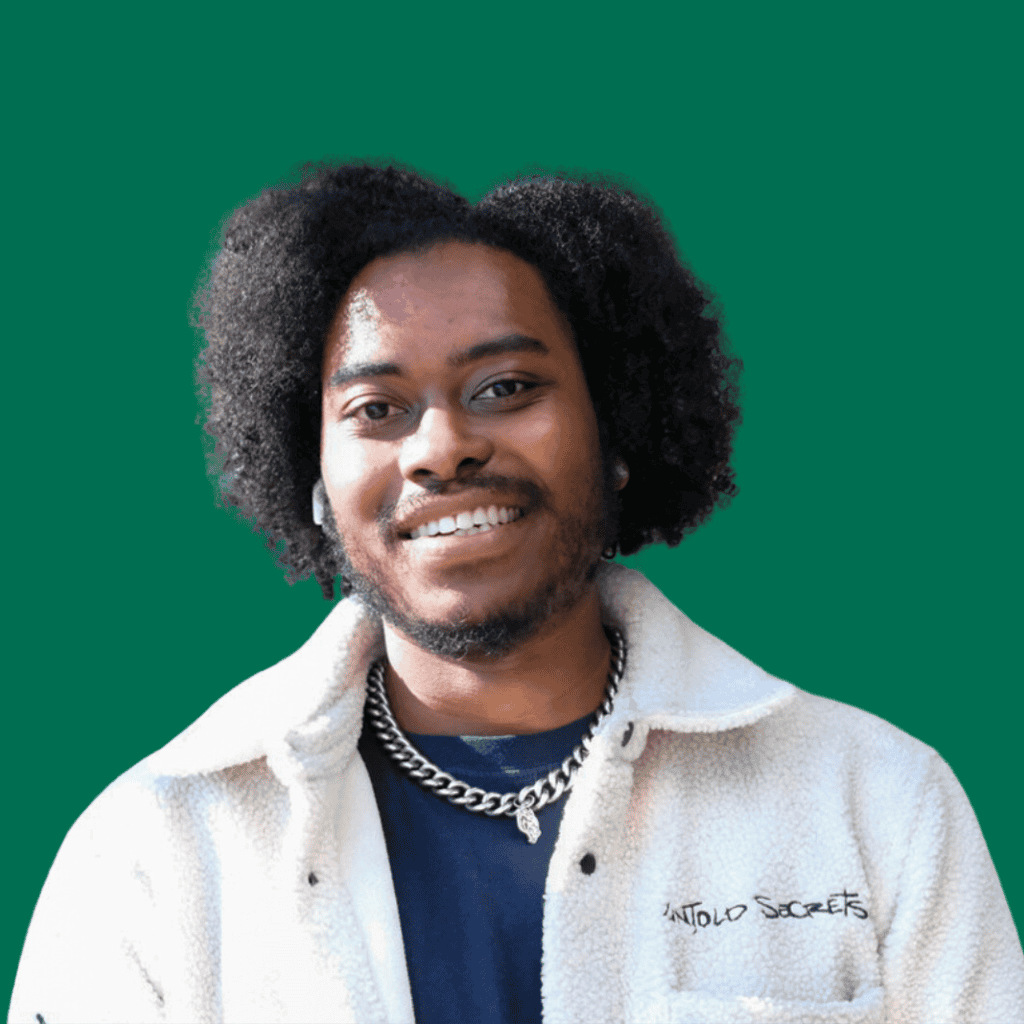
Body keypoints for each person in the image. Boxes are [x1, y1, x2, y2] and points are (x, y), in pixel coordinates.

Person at [9, 161, 1023, 1024]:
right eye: (377, 407)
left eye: (506, 388)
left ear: (618, 430)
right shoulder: (154, 850)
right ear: (309, 474)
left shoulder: (876, 804)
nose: (442, 447)